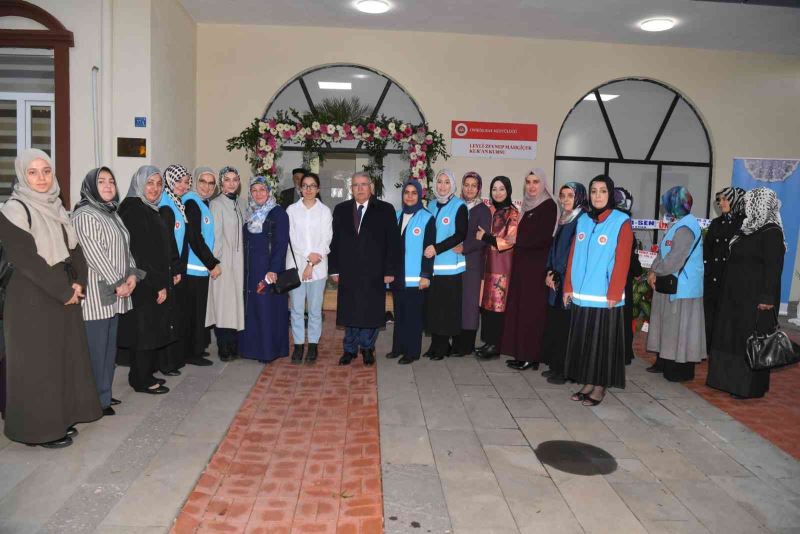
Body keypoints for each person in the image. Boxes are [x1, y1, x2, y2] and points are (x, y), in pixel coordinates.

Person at [0, 148, 102, 447]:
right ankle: (36, 431)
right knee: (37, 365)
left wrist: (79, 283)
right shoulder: (13, 210)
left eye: (46, 171)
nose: (41, 178)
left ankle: (60, 419)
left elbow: (75, 249)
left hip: (62, 294)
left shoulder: (57, 206)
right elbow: (26, 259)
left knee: (61, 360)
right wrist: (64, 291)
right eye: (32, 172)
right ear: (22, 175)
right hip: (31, 299)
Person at [72, 167, 144, 416]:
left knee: (108, 350)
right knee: (96, 350)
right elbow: (94, 254)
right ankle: (92, 400)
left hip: (115, 293)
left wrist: (132, 274)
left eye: (111, 181)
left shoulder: (111, 212)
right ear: (91, 186)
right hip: (96, 296)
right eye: (101, 181)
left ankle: (103, 395)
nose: (108, 185)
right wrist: (117, 282)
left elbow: (126, 248)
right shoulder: (85, 214)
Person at [706, 188, 785, 399]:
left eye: (750, 203)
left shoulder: (772, 232)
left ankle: (748, 387)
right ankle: (726, 381)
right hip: (734, 294)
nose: (746, 206)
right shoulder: (747, 228)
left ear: (761, 205)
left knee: (748, 341)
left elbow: (773, 268)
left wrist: (767, 298)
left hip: (754, 299)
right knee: (730, 337)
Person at [563, 175, 632, 406]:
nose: (598, 196)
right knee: (585, 343)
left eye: (603, 191)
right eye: (593, 191)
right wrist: (568, 286)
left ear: (610, 194)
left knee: (601, 345)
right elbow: (573, 255)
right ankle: (588, 382)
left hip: (604, 297)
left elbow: (623, 260)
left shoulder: (621, 221)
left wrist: (614, 292)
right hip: (582, 296)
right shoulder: (583, 220)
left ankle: (600, 387)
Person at [329, 172, 401, 366]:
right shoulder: (341, 210)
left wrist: (390, 270)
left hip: (375, 271)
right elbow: (334, 241)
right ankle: (349, 349)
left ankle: (367, 348)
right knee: (350, 311)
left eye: (363, 184)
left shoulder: (385, 209)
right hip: (348, 270)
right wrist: (334, 269)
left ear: (371, 187)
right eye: (355, 185)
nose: (360, 188)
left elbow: (393, 243)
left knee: (371, 311)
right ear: (351, 188)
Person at [117, 166, 174, 395]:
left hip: (148, 278)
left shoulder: (147, 208)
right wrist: (158, 284)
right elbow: (140, 252)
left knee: (149, 329)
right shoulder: (134, 209)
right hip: (142, 281)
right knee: (143, 331)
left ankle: (144, 374)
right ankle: (141, 380)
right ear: (139, 184)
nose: (155, 188)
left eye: (159, 184)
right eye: (149, 183)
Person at [645, 186, 706, 382]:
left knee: (679, 329)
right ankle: (665, 361)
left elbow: (674, 259)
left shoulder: (686, 228)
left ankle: (678, 369)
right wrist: (653, 271)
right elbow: (663, 252)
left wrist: (656, 271)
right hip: (670, 282)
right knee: (668, 326)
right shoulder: (678, 224)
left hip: (683, 288)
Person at [503, 169, 559, 370]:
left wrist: (517, 240)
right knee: (520, 310)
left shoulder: (549, 205)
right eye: (528, 182)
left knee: (531, 312)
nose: (532, 186)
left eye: (536, 182)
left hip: (536, 268)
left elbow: (543, 238)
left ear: (543, 184)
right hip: (522, 266)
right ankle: (521, 353)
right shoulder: (527, 206)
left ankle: (531, 356)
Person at [159, 164, 211, 367]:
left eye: (185, 182)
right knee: (173, 315)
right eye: (178, 181)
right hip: (171, 268)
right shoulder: (166, 204)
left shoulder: (177, 202)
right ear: (169, 181)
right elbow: (170, 240)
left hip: (178, 268)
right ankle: (169, 362)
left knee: (179, 314)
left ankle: (176, 358)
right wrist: (175, 267)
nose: (182, 185)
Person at [239, 176, 290, 362]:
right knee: (252, 309)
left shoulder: (278, 213)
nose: (258, 193)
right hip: (250, 269)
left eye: (262, 189)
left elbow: (281, 244)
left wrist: (273, 269)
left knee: (267, 309)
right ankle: (251, 349)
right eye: (254, 190)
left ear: (269, 191)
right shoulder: (249, 212)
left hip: (268, 270)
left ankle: (268, 351)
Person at [541, 181, 587, 384]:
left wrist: (560, 274)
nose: (565, 199)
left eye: (570, 195)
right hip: (556, 279)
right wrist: (549, 271)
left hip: (569, 281)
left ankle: (566, 370)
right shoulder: (564, 218)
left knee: (567, 326)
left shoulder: (582, 219)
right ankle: (556, 365)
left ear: (579, 197)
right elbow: (554, 248)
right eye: (563, 195)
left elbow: (575, 252)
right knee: (556, 324)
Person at [286, 171, 332, 364]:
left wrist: (312, 263)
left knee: (314, 310)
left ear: (318, 189)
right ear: (300, 188)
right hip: (296, 266)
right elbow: (291, 238)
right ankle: (298, 346)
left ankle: (313, 345)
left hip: (318, 269)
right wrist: (307, 258)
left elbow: (326, 240)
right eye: (305, 186)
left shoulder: (325, 211)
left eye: (312, 186)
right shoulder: (291, 210)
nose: (308, 189)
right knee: (296, 309)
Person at [387, 180, 435, 364]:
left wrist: (426, 275)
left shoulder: (427, 218)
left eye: (414, 193)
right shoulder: (396, 215)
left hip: (416, 278)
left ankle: (412, 352)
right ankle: (398, 348)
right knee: (399, 314)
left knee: (413, 317)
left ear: (420, 195)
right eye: (406, 192)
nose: (409, 196)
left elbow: (429, 250)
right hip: (398, 276)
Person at [423, 170, 468, 360]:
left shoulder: (459, 206)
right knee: (433, 308)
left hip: (450, 268)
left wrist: (437, 248)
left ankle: (443, 346)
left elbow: (460, 234)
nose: (442, 186)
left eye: (447, 182)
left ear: (453, 185)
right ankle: (435, 344)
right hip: (432, 267)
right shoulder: (431, 205)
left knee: (446, 309)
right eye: (439, 182)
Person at [476, 176, 519, 360]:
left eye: (502, 189)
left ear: (508, 191)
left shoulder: (513, 213)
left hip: (502, 267)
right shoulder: (491, 210)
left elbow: (510, 241)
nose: (498, 193)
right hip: (488, 266)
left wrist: (486, 237)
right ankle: (489, 342)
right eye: (494, 189)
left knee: (498, 306)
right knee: (487, 306)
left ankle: (496, 346)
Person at [182, 167, 222, 362]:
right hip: (193, 268)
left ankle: (196, 348)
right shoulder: (191, 203)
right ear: (195, 182)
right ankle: (192, 353)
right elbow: (194, 238)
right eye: (203, 181)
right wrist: (211, 263)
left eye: (211, 183)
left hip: (200, 268)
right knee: (193, 313)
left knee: (198, 312)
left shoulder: (202, 203)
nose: (207, 186)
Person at [206, 166, 245, 361]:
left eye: (234, 179)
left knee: (235, 304)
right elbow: (215, 236)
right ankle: (223, 347)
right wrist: (215, 262)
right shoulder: (216, 204)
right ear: (221, 183)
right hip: (223, 262)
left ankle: (234, 345)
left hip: (238, 262)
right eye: (227, 180)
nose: (231, 183)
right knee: (223, 305)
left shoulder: (239, 203)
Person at [452, 171, 490, 357]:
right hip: (454, 262)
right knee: (457, 302)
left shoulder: (482, 210)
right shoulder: (457, 206)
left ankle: (466, 346)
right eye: (466, 185)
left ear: (479, 189)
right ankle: (456, 342)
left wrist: (464, 247)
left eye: (473, 186)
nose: (469, 189)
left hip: (472, 262)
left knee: (469, 304)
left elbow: (483, 238)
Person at [703, 186, 745, 355]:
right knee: (710, 314)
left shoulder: (744, 223)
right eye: (719, 200)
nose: (721, 203)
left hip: (731, 278)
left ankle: (723, 350)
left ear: (735, 200)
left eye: (725, 199)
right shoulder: (716, 223)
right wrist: (707, 272)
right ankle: (708, 347)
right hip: (713, 277)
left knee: (727, 316)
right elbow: (707, 250)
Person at [613, 187, 643, 365]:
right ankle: (623, 353)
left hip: (617, 276)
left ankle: (619, 353)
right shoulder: (624, 222)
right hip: (623, 277)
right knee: (623, 315)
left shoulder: (615, 222)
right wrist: (638, 272)